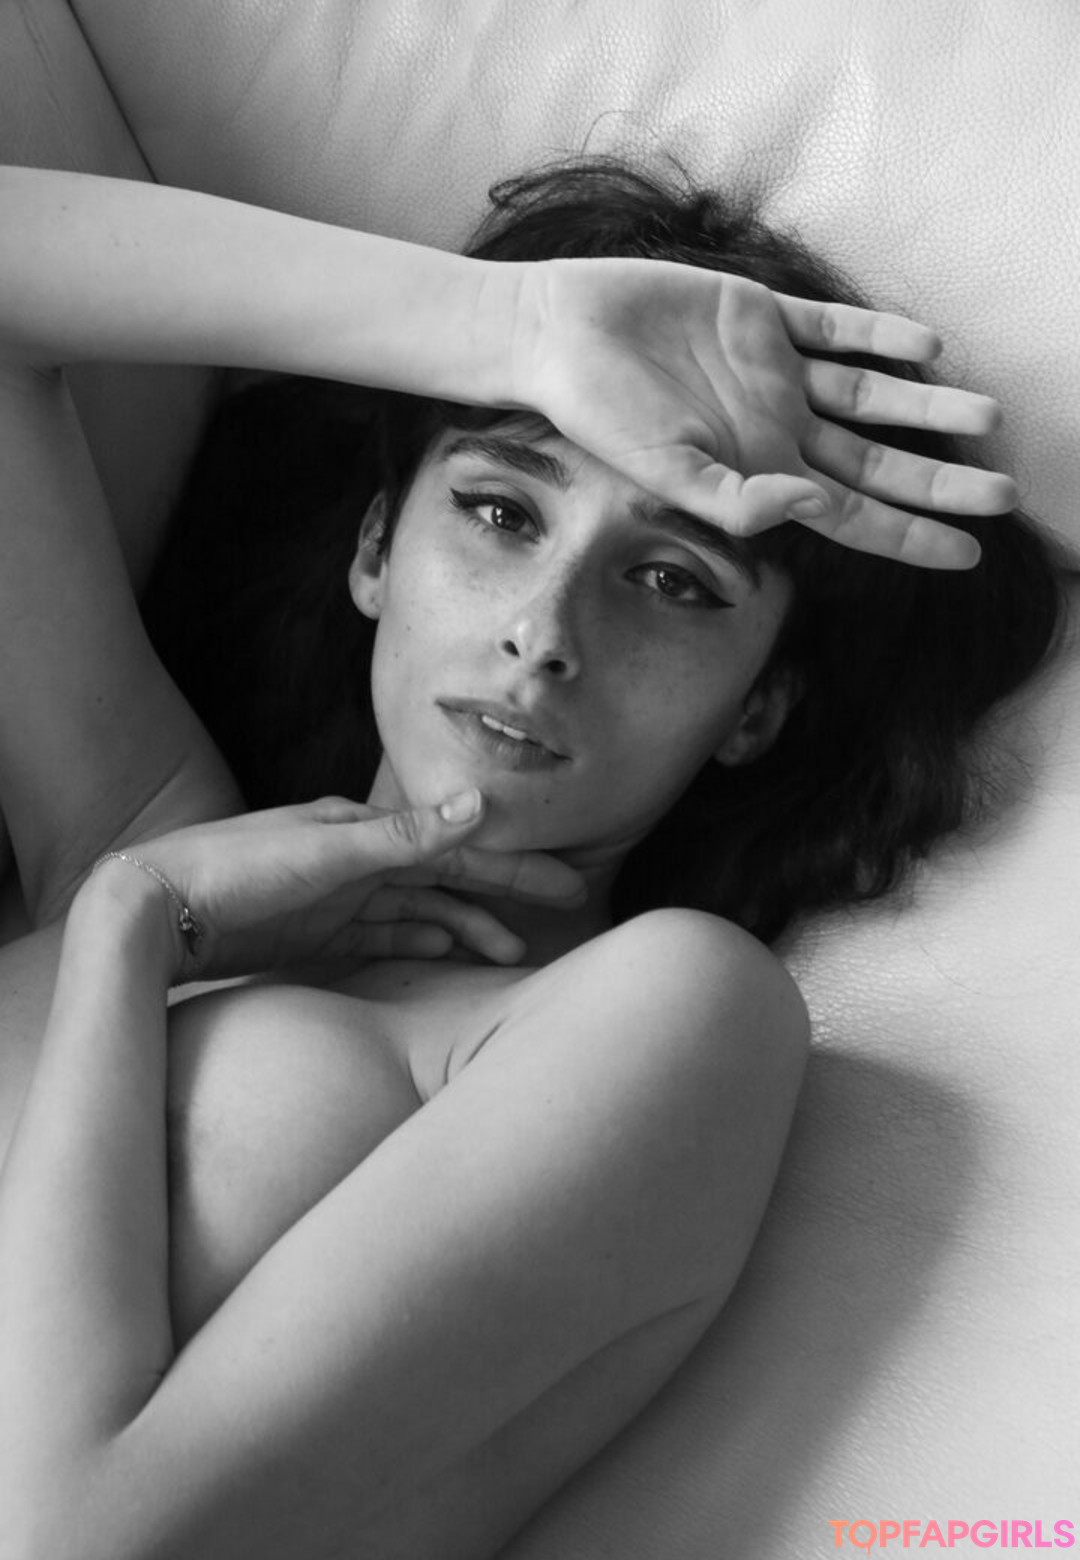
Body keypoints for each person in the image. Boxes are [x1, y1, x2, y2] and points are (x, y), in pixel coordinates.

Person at [0, 159, 1062, 1560]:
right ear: (377, 548)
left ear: (757, 709)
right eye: (502, 511)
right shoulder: (141, 819)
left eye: (673, 581)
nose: (545, 632)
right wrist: (508, 330)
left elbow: (70, 1540)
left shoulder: (669, 1012)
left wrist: (129, 931)